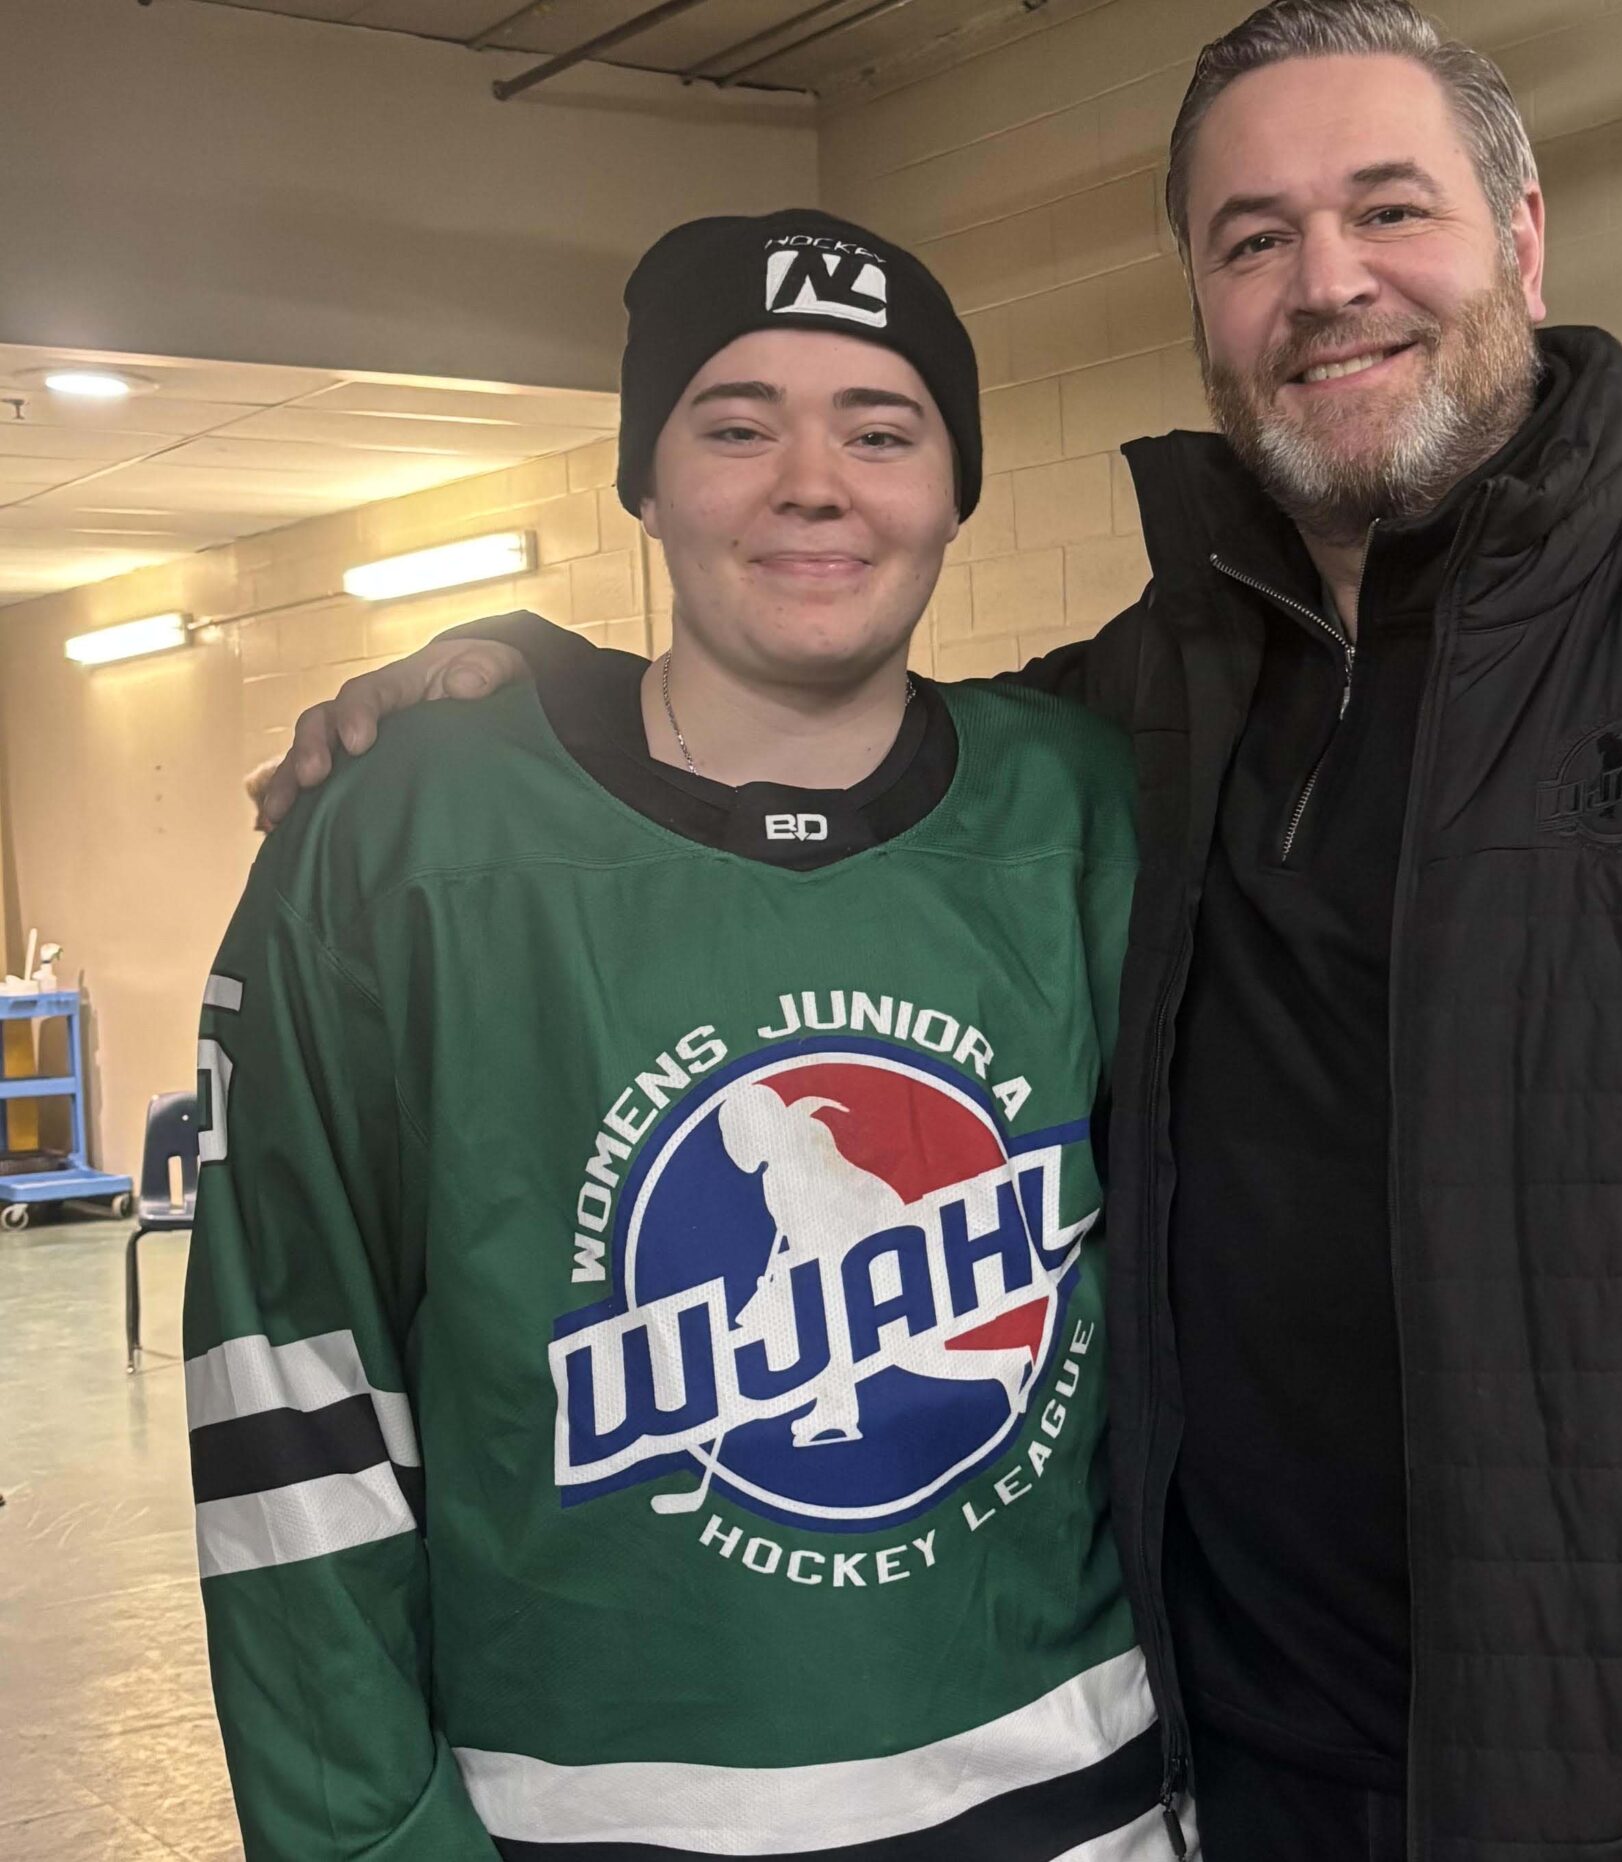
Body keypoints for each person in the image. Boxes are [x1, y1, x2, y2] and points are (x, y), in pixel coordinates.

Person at [258, 4, 1622, 1859]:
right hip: (1222, 1774)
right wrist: (528, 698)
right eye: (1254, 239)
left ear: (1519, 234)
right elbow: (821, 727)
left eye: (1388, 209)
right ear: (1203, 301)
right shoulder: (1141, 712)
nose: (1325, 280)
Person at [185, 209, 1176, 1860]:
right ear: (643, 480)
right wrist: (367, 1836)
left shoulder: (1087, 804)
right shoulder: (397, 845)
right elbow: (286, 1397)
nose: (813, 481)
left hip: (1077, 1796)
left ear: (954, 489)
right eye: (735, 426)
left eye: (882, 427)